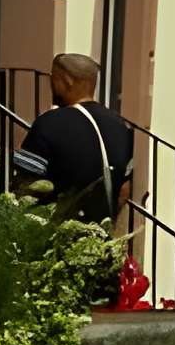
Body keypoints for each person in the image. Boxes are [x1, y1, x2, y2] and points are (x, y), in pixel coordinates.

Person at [20, 53, 127, 221]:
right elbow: (125, 189)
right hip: (100, 234)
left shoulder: (49, 123)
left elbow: (26, 184)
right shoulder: (120, 125)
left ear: (66, 81)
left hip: (56, 231)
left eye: (53, 78)